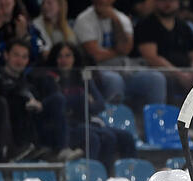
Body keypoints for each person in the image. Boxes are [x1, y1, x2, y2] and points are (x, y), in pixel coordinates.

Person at [46, 42, 136, 170]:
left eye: (68, 56)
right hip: (67, 126)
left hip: (86, 122)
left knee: (126, 136)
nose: (64, 60)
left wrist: (80, 102)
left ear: (74, 58)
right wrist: (83, 99)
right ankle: (94, 175)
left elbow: (99, 105)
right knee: (100, 137)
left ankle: (130, 175)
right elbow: (60, 105)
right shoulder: (50, 79)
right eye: (60, 56)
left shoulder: (83, 77)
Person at [0, 39, 81, 162]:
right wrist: (28, 101)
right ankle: (59, 149)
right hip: (15, 131)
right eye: (16, 55)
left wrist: (38, 104)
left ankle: (62, 149)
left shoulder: (29, 81)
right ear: (6, 55)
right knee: (57, 99)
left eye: (24, 57)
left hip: (34, 126)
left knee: (58, 99)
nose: (20, 61)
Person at [74, 0, 166, 107]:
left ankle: (156, 119)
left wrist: (115, 20)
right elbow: (95, 55)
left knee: (156, 78)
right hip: (97, 71)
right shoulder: (84, 19)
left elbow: (126, 49)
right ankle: (112, 121)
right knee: (114, 80)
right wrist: (118, 51)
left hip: (123, 68)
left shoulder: (121, 18)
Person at [134, 0, 193, 100]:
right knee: (165, 81)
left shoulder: (185, 27)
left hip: (186, 74)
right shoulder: (146, 24)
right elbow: (151, 58)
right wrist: (180, 75)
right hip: (163, 74)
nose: (167, 3)